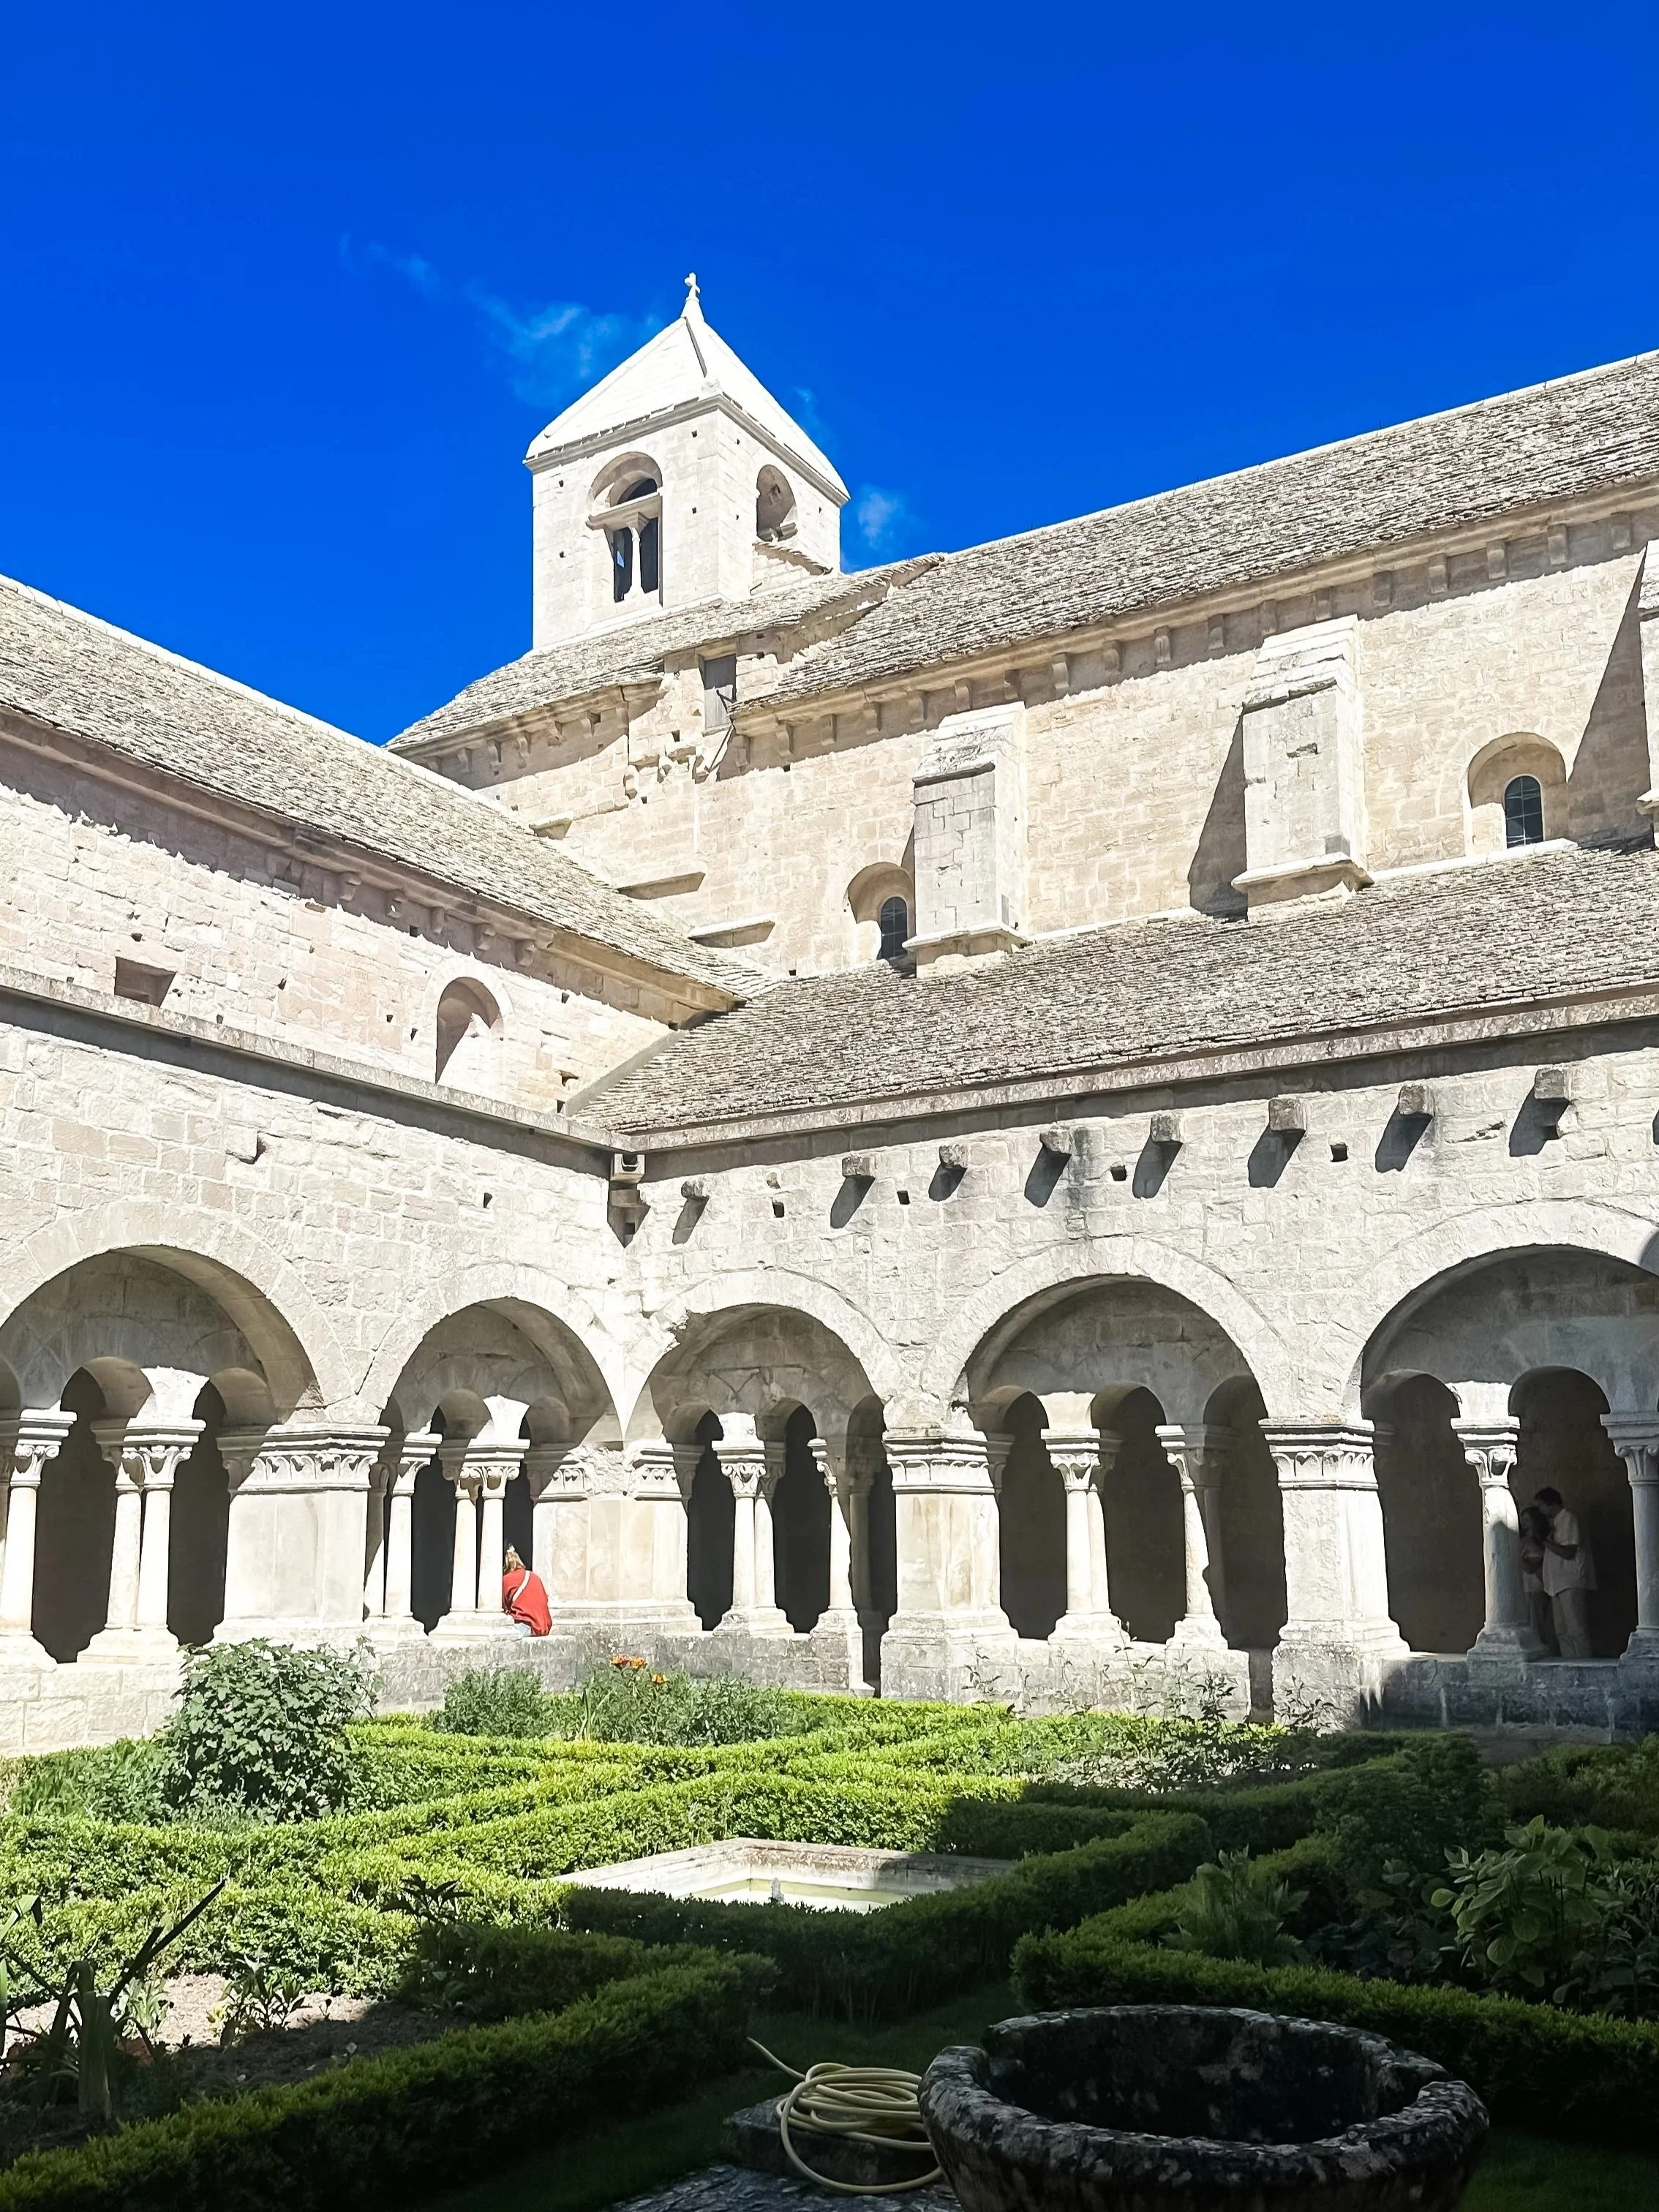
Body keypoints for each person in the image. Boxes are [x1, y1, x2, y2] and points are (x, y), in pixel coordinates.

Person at [1535, 1486, 1595, 1660]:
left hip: (1570, 1581)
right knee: (1562, 1631)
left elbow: (1569, 1552)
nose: (1540, 1510)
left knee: (1577, 1629)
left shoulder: (1568, 1519)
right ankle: (1570, 1664)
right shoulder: (1555, 1524)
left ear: (1551, 1504)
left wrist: (1546, 1542)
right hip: (1556, 1584)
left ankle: (1585, 1665)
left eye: (1541, 1506)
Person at [1517, 1504, 1554, 1652]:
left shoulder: (1537, 1542)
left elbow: (1531, 1567)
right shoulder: (1524, 1540)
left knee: (1538, 1624)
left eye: (1527, 1520)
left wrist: (1518, 1558)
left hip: (1536, 1586)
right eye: (1523, 1520)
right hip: (1525, 1587)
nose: (1524, 1523)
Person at [502, 1545, 552, 1636]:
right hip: (544, 1626)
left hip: (526, 1626)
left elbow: (504, 1608)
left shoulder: (506, 1580)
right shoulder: (534, 1576)